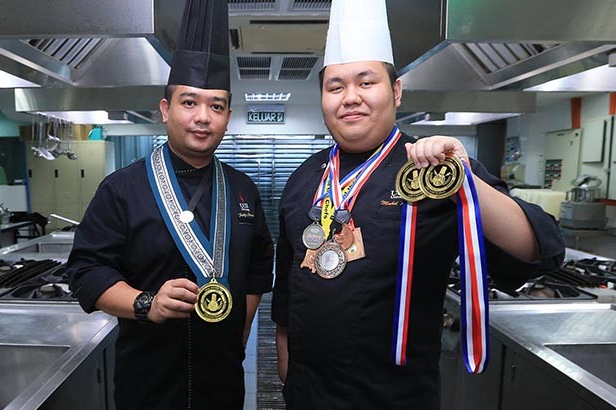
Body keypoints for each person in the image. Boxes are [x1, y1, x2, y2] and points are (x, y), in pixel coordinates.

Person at [271, 0, 564, 408]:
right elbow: (287, 291)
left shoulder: (432, 168)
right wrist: (288, 372)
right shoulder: (305, 177)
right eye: (335, 86)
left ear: (396, 91)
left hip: (395, 398)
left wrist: (461, 177)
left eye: (366, 82)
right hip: (308, 395)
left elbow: (540, 249)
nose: (350, 97)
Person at [66, 1, 274, 408]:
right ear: (165, 109)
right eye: (189, 102)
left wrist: (239, 330)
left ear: (228, 116)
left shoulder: (244, 189)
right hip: (149, 381)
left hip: (222, 382)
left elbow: (256, 270)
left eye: (216, 106)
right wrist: (147, 303)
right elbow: (87, 271)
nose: (203, 117)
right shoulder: (122, 189)